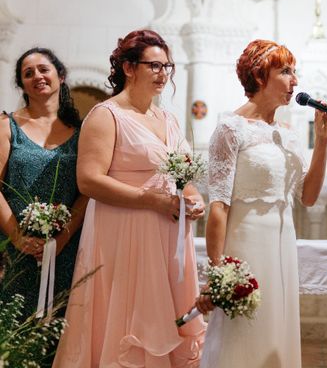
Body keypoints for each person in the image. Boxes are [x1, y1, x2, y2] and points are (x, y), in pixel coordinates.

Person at [53, 30, 206, 367]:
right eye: (154, 65)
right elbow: (89, 180)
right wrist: (150, 200)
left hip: (168, 234)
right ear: (128, 67)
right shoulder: (106, 115)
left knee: (167, 312)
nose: (163, 73)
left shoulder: (168, 119)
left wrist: (193, 198)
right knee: (130, 312)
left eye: (167, 66)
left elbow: (183, 176)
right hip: (125, 232)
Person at [194, 39, 327, 368]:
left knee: (276, 332)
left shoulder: (288, 133)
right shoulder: (231, 129)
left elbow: (309, 197)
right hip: (245, 249)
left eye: (294, 71)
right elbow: (218, 206)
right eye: (285, 71)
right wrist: (217, 273)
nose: (294, 80)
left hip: (282, 247)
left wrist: (324, 143)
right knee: (244, 334)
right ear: (259, 76)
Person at [0, 48, 87, 362]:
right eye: (28, 73)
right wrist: (18, 238)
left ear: (60, 76)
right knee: (14, 330)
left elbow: (86, 193)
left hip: (67, 250)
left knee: (60, 334)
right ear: (22, 86)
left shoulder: (82, 134)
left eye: (43, 69)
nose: (37, 76)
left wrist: (61, 240)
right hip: (15, 249)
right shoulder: (6, 126)